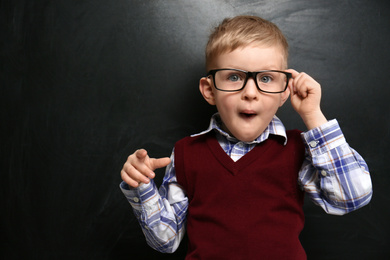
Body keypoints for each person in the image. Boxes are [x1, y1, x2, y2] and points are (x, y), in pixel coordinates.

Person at [119, 15, 372, 259]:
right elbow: (165, 241)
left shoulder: (298, 149)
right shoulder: (187, 153)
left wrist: (314, 116)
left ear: (284, 90)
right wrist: (142, 186)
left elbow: (352, 197)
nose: (250, 92)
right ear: (209, 90)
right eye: (234, 77)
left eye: (265, 78)